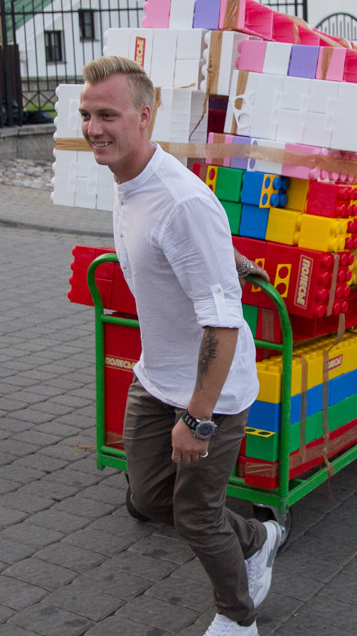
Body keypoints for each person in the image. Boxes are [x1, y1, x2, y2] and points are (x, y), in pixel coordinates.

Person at [78, 55, 282, 636]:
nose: (95, 128)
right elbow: (182, 256)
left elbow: (222, 325)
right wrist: (232, 260)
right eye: (88, 114)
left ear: (145, 116)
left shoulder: (180, 200)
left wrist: (197, 420)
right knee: (147, 499)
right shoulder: (128, 179)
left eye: (109, 115)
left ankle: (239, 617)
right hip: (157, 375)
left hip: (208, 391)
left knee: (195, 516)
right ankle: (258, 535)